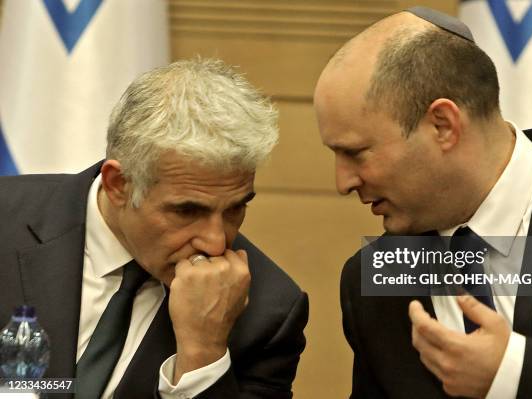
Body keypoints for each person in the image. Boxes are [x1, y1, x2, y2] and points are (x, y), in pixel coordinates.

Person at [313, 7, 532, 399]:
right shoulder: (373, 280)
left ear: (443, 125)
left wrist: (516, 374)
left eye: (356, 152)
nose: (343, 182)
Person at [0, 58, 308, 399]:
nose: (215, 242)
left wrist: (203, 355)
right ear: (118, 184)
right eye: (187, 210)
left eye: (236, 208)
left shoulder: (268, 312)